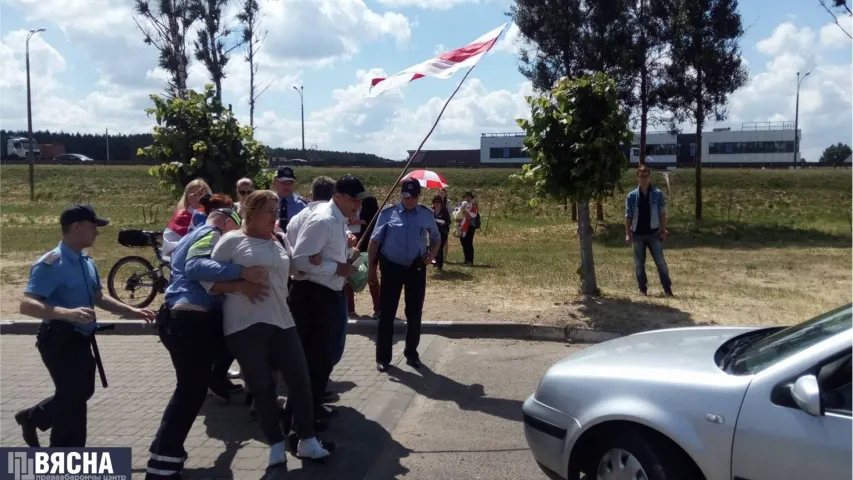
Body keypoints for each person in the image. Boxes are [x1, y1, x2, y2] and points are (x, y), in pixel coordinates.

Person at [206, 190, 333, 468]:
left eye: (277, 211)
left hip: (282, 320)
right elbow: (208, 283)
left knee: (300, 381)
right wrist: (241, 284)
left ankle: (307, 440)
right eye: (269, 211)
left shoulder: (279, 239)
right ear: (250, 213)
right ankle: (275, 444)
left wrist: (316, 261)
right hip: (243, 325)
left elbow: (290, 272)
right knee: (263, 389)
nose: (276, 216)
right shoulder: (231, 241)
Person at [145, 195, 269, 480]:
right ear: (227, 221)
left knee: (192, 387)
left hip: (184, 319)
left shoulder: (194, 234)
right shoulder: (209, 233)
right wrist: (243, 273)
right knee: (189, 392)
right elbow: (196, 268)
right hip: (189, 320)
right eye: (233, 230)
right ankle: (162, 461)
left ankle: (166, 453)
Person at [14, 204, 156, 448]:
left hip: (80, 340)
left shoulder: (86, 261)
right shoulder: (51, 263)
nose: (97, 233)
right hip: (57, 340)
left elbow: (99, 297)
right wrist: (66, 313)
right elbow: (27, 305)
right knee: (73, 404)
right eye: (94, 227)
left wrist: (132, 311)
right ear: (77, 227)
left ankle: (33, 417)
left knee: (81, 393)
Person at [289, 175, 368, 424]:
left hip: (327, 293)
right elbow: (301, 260)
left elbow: (323, 254)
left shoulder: (336, 219)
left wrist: (347, 253)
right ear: (338, 196)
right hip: (313, 296)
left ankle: (313, 406)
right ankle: (300, 419)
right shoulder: (323, 220)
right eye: (354, 199)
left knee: (322, 359)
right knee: (313, 359)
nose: (358, 205)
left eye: (360, 200)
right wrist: (337, 268)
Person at [369, 178, 441, 372]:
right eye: (406, 196)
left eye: (414, 197)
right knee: (387, 314)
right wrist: (371, 270)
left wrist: (431, 256)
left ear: (419, 197)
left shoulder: (426, 214)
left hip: (416, 268)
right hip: (391, 267)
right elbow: (374, 242)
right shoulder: (387, 214)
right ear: (401, 195)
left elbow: (436, 238)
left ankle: (412, 354)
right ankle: (383, 358)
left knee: (414, 313)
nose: (410, 201)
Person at [625, 165, 673, 296]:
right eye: (641, 176)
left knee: (660, 263)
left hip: (654, 234)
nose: (644, 179)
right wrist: (628, 234)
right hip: (638, 234)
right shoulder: (631, 196)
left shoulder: (657, 194)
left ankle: (667, 289)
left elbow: (662, 214)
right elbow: (628, 216)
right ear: (637, 177)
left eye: (646, 176)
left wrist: (663, 231)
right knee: (639, 265)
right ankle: (642, 289)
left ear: (649, 177)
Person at [345, 193, 380, 318]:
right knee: (348, 275)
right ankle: (350, 310)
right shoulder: (345, 200)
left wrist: (357, 221)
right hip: (350, 245)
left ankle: (378, 308)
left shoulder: (369, 200)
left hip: (366, 246)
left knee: (371, 275)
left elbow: (375, 219)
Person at [162, 179, 212, 257]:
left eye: (200, 194)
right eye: (193, 194)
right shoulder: (182, 215)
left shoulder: (211, 213)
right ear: (187, 196)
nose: (197, 198)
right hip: (177, 251)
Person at [273, 166, 308, 233]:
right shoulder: (267, 203)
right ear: (274, 183)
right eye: (283, 182)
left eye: (290, 182)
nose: (286, 186)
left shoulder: (302, 207)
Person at [455, 191, 479, 265]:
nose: (467, 198)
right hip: (462, 225)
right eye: (466, 197)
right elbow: (457, 213)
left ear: (471, 198)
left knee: (469, 242)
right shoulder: (461, 205)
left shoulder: (473, 205)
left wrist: (464, 212)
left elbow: (472, 215)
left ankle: (470, 260)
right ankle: (466, 260)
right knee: (463, 242)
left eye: (469, 197)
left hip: (470, 226)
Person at [431, 195, 451, 271]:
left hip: (442, 232)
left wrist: (440, 221)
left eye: (438, 202)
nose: (436, 203)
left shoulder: (444, 210)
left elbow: (448, 221)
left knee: (439, 248)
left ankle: (440, 266)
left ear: (441, 203)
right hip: (433, 232)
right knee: (433, 248)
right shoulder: (431, 211)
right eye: (435, 202)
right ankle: (435, 262)